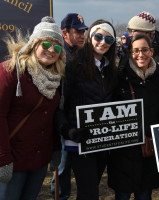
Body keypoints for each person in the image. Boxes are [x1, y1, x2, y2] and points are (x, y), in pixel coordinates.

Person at [0, 16, 65, 199]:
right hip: (12, 161)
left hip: (39, 161)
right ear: (34, 44)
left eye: (57, 47)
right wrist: (3, 159)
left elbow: (51, 116)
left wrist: (55, 149)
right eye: (46, 44)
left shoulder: (55, 78)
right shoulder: (11, 72)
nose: (51, 50)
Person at [55, 19, 117, 200]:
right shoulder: (73, 66)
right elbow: (60, 106)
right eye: (98, 36)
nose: (102, 42)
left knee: (90, 189)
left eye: (108, 39)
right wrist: (68, 131)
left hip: (102, 141)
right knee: (89, 193)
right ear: (90, 38)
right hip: (80, 142)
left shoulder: (111, 69)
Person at [108, 34, 159, 200]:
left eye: (145, 50)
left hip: (148, 148)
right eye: (136, 50)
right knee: (123, 194)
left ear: (151, 51)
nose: (141, 54)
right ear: (130, 53)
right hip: (124, 150)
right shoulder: (120, 77)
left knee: (144, 194)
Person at [50, 13, 88, 200]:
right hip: (60, 118)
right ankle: (60, 196)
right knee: (63, 166)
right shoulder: (58, 53)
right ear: (65, 33)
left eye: (83, 31)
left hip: (78, 117)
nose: (82, 35)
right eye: (77, 31)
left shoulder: (84, 54)